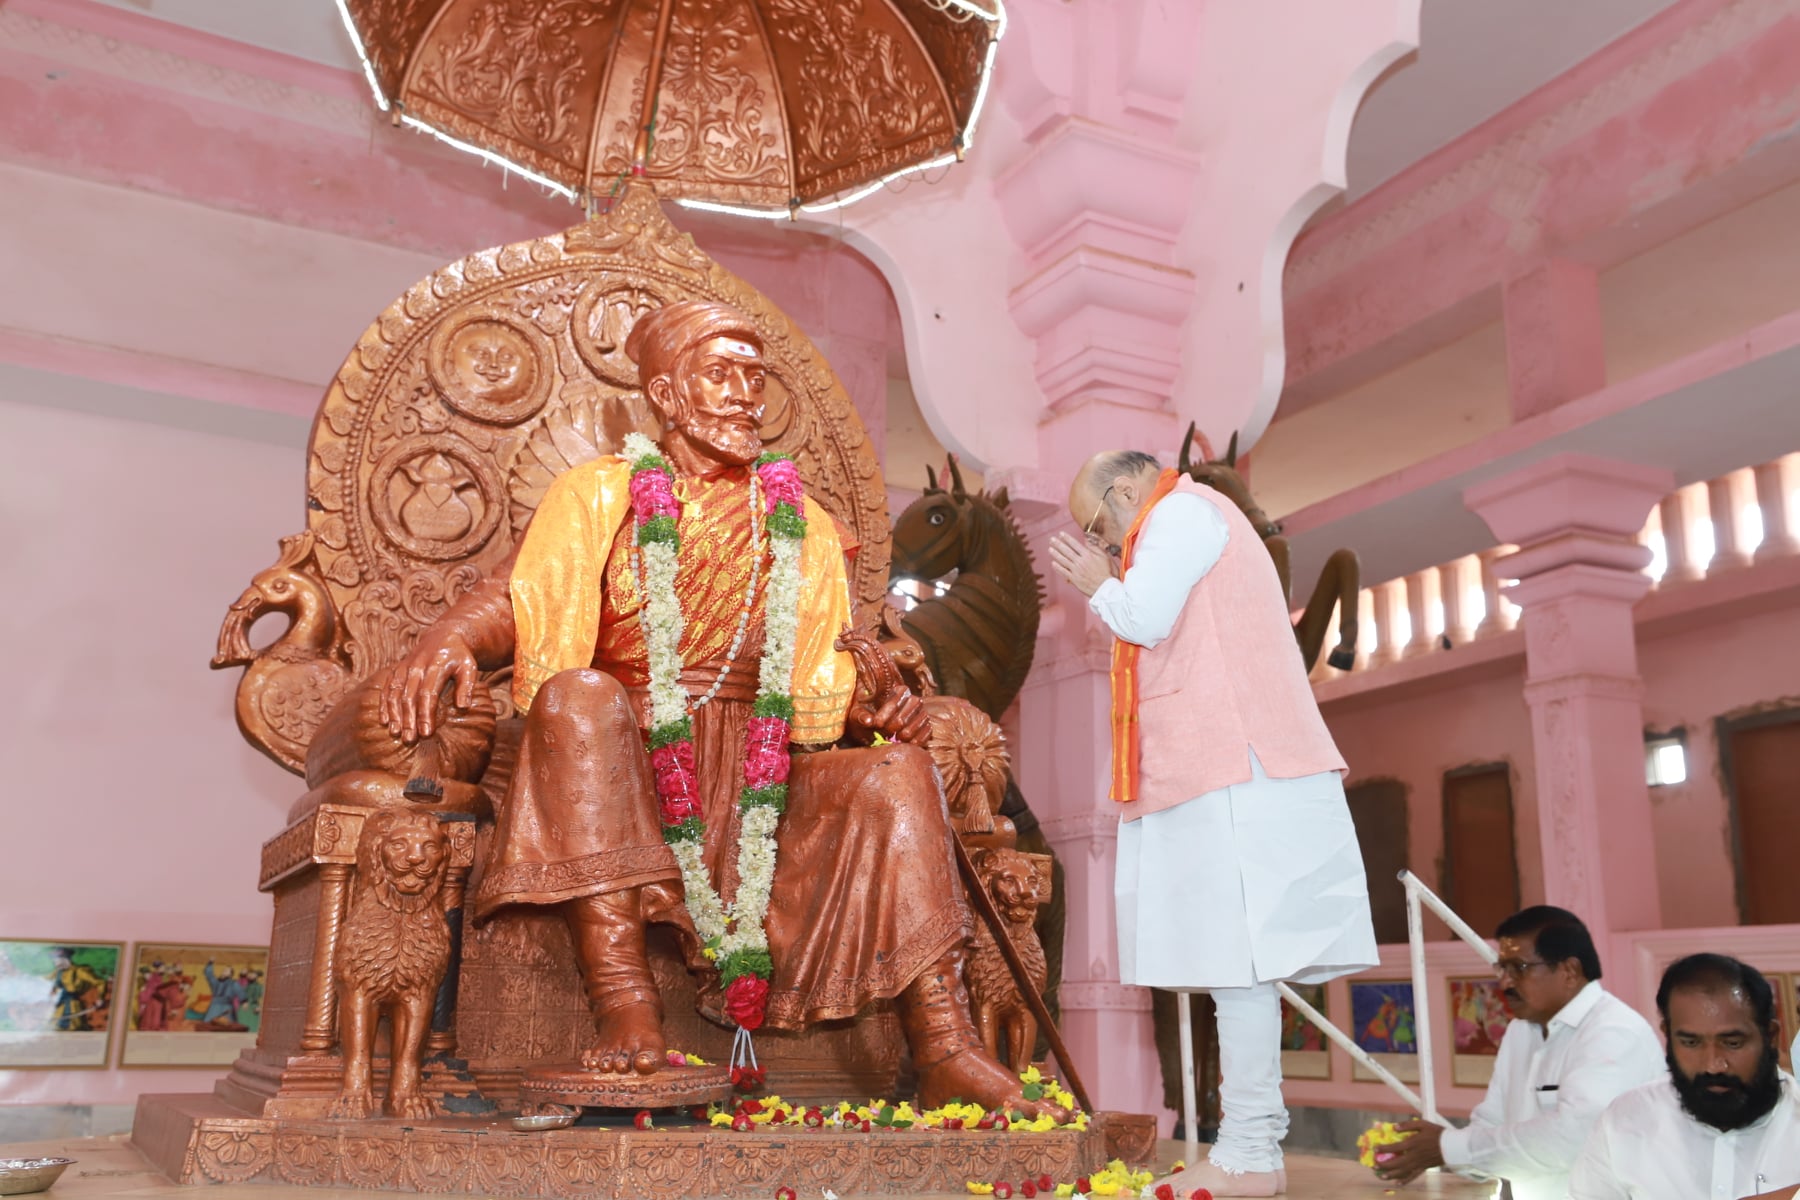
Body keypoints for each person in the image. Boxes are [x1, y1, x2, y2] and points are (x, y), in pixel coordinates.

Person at [382, 300, 1046, 1114]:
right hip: (622, 753)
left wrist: (884, 707)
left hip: (761, 767)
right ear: (665, 394)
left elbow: (839, 665)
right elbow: (521, 597)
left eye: (754, 378)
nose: (743, 395)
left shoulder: (797, 521)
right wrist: (447, 639)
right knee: (579, 696)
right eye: (719, 374)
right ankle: (625, 1006)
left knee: (899, 772)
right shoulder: (600, 495)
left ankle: (944, 1044)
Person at [1047, 449, 1377, 1196]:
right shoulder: (1182, 517)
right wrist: (1109, 580)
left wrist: (1101, 585)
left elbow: (1146, 616)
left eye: (1100, 525)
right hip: (1220, 763)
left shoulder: (1181, 514)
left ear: (1128, 490)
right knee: (1235, 969)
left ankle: (1252, 1152)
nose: (1104, 544)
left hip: (1236, 762)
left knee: (1240, 966)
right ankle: (1248, 1150)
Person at [1375, 906, 1662, 1199]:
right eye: (1502, 968)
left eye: (1518, 968)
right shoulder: (1521, 1031)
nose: (1505, 982)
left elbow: (1573, 1138)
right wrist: (1431, 1151)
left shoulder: (1613, 1032)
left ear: (1569, 971)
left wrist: (1449, 1147)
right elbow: (1490, 1123)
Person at [1570, 954, 1800, 1200]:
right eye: (1691, 1042)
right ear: (1668, 1035)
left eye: (1732, 1043)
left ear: (1771, 1037)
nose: (1713, 1066)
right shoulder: (1625, 1121)